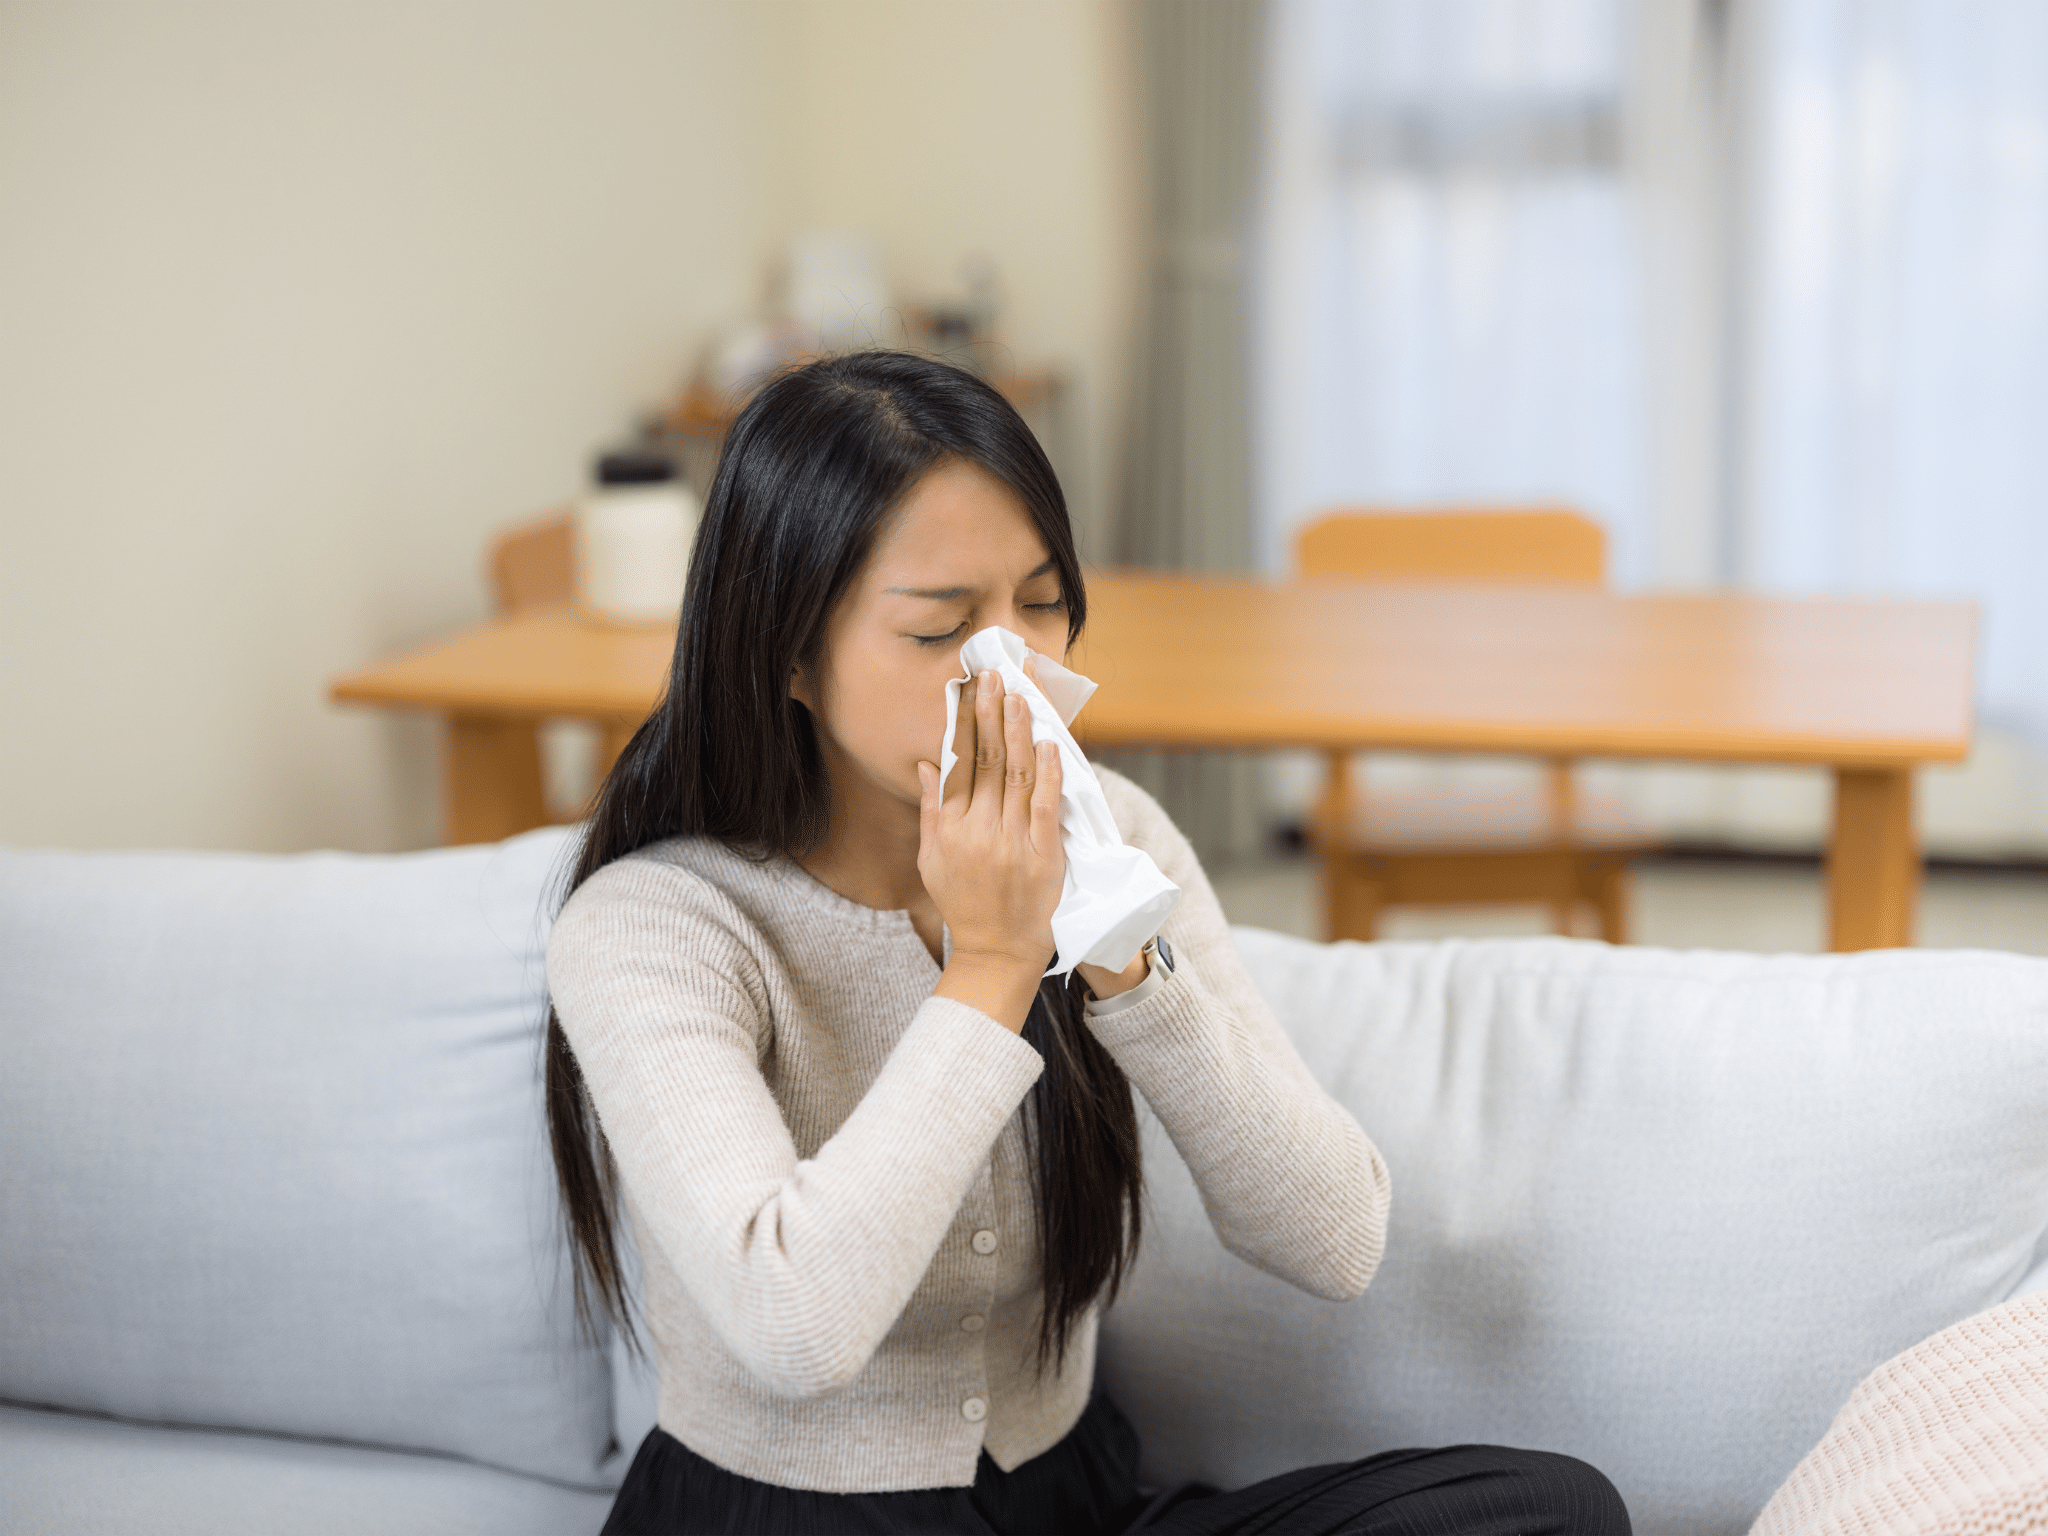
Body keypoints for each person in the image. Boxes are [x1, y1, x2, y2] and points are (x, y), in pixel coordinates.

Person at [543, 351, 1631, 1536]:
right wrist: (994, 964)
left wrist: (1116, 947)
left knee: (1549, 1511)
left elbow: (1332, 1236)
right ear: (789, 657)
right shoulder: (657, 923)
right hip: (781, 1517)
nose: (1014, 669)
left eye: (1042, 602)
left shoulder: (1117, 834)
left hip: (1072, 1502)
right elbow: (792, 1325)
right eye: (941, 627)